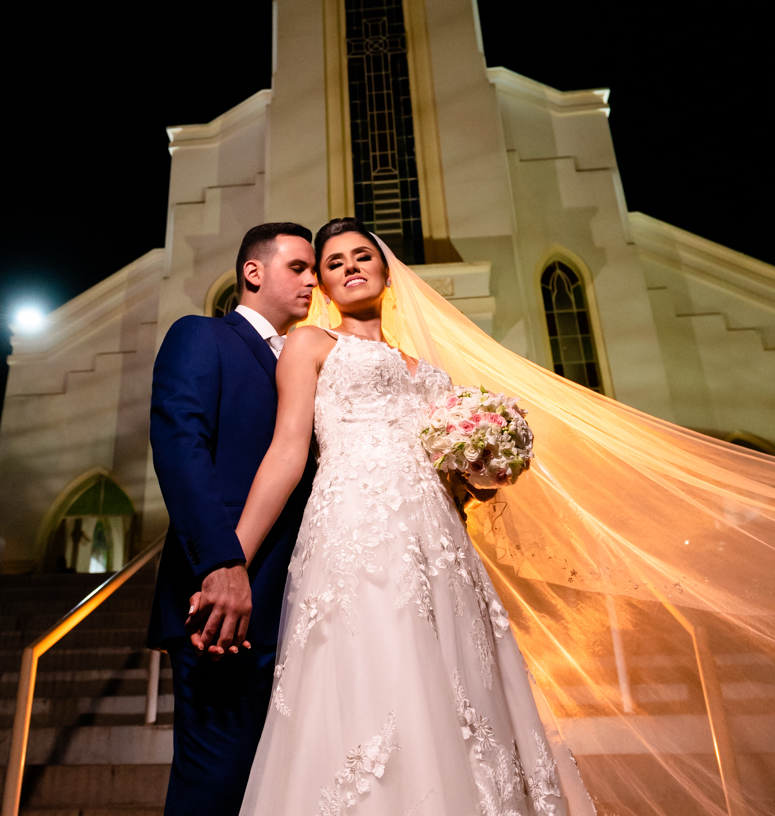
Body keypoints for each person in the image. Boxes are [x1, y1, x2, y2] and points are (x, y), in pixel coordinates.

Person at [193, 216, 593, 816]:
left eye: (361, 256)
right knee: (378, 679)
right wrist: (233, 557)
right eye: (333, 263)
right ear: (324, 288)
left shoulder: (430, 370)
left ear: (386, 272)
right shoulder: (312, 346)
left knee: (459, 689)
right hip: (357, 530)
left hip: (441, 543)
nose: (350, 267)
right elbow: (286, 452)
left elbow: (464, 486)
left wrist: (486, 463)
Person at [147, 222, 317, 816]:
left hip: (305, 610)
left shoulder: (308, 363)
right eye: (298, 267)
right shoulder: (202, 337)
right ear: (253, 272)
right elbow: (180, 449)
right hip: (221, 606)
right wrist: (221, 563)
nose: (312, 280)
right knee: (216, 785)